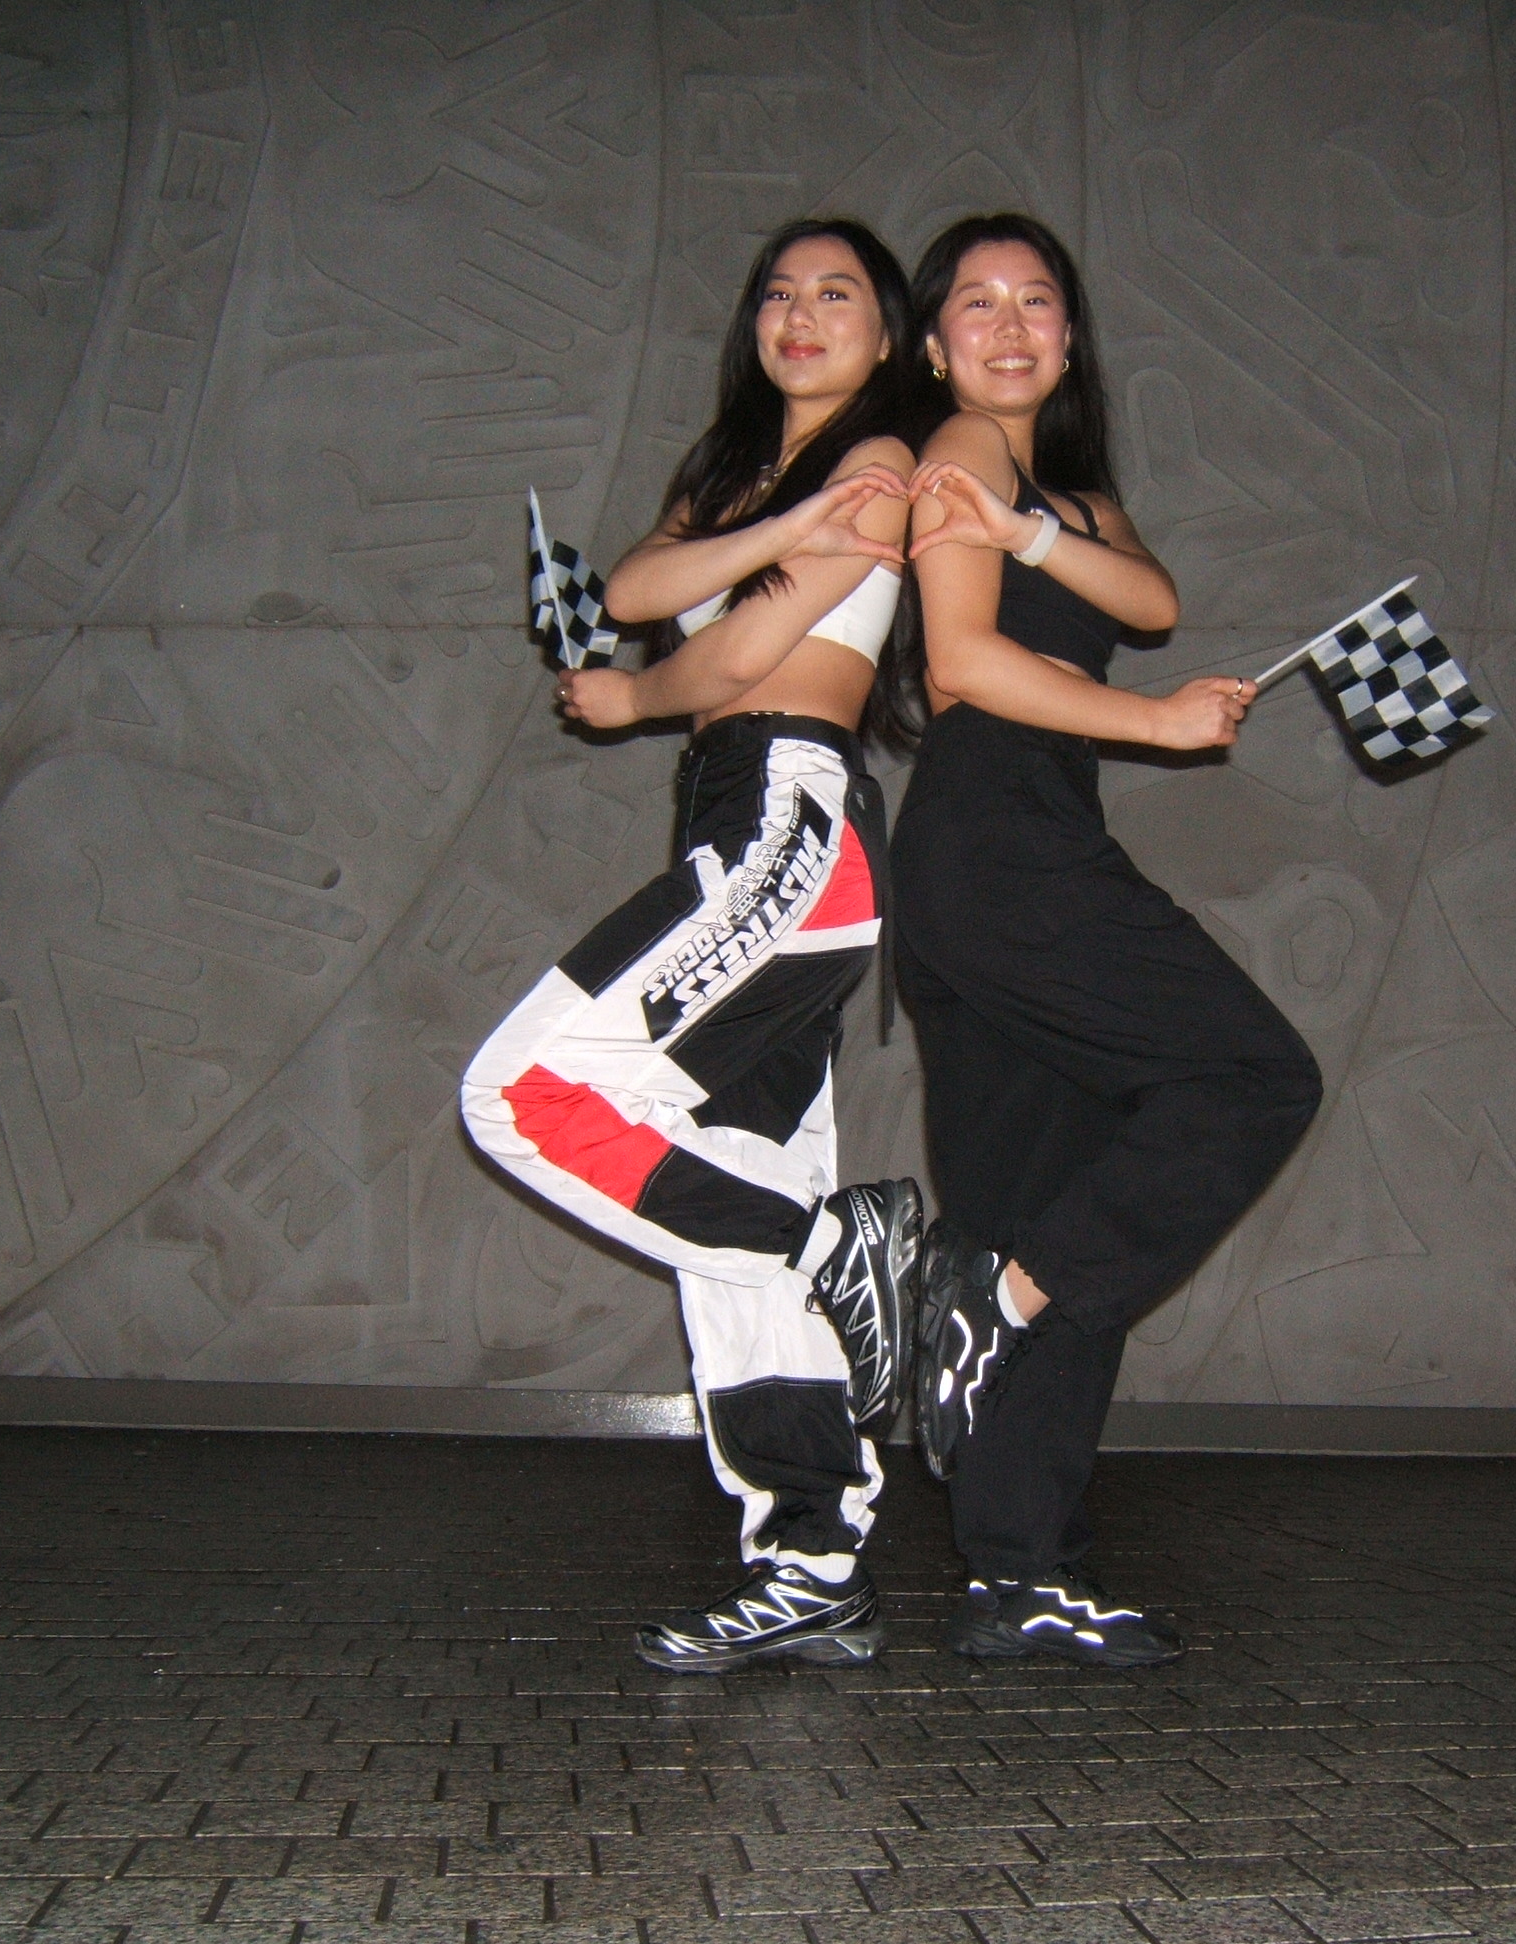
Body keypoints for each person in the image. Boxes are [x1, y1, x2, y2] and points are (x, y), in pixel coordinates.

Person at [461, 219, 927, 1673]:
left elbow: (722, 654)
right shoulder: (738, 473)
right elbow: (633, 588)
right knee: (725, 1202)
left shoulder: (886, 457)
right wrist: (784, 528)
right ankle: (812, 1558)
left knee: (521, 1095)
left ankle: (844, 1247)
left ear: (889, 336)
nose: (801, 314)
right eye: (779, 292)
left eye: (837, 294)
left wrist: (633, 699)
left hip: (790, 820)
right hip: (740, 828)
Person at [891, 214, 1324, 1667]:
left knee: (1050, 1197)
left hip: (999, 859)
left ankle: (1018, 1571)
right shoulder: (961, 442)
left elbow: (1155, 599)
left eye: (1038, 303)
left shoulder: (1059, 493)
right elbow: (963, 665)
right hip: (1002, 848)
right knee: (1252, 1077)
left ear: (1072, 337)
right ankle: (994, 1298)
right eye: (976, 305)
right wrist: (1155, 723)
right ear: (935, 345)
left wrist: (1029, 532)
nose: (1010, 327)